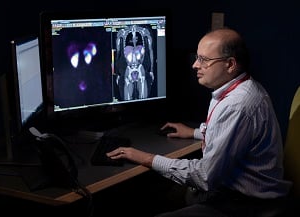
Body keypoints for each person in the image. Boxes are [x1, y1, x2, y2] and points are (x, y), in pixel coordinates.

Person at [107, 27, 292, 217]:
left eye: (204, 60)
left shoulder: (237, 105)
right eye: (197, 57)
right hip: (230, 192)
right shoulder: (239, 87)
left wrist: (146, 158)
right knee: (155, 196)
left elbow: (204, 177)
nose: (195, 65)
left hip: (246, 205)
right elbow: (233, 135)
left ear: (230, 64)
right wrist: (196, 132)